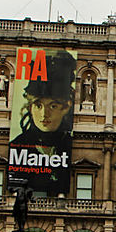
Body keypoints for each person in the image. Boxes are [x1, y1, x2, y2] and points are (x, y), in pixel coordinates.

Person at [10, 50, 75, 196]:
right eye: (38, 105)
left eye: (53, 106)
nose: (44, 114)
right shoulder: (17, 145)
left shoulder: (69, 144)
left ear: (66, 107)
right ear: (30, 107)